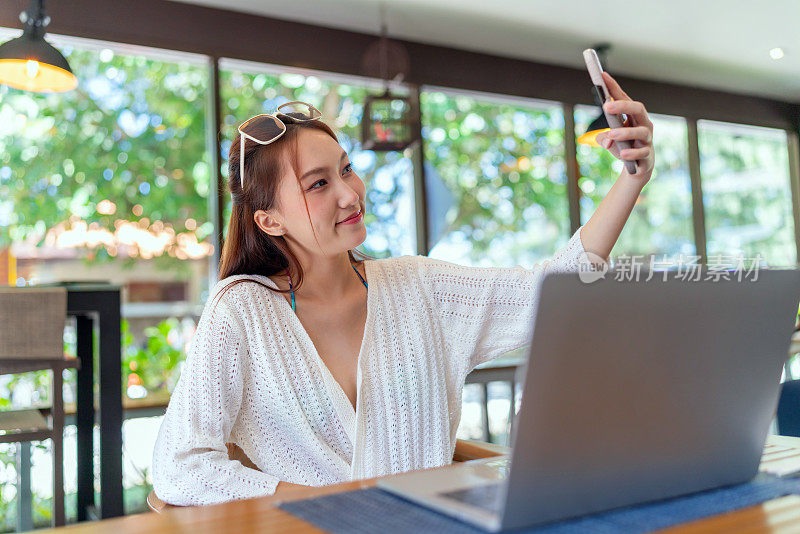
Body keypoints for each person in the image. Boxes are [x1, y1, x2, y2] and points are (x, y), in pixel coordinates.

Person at [152, 72, 655, 505]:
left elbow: (551, 294)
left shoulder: (420, 288)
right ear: (270, 219)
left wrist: (631, 177)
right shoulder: (241, 313)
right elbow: (180, 464)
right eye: (318, 184)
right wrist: (312, 503)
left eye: (346, 168)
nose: (351, 193)